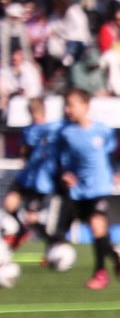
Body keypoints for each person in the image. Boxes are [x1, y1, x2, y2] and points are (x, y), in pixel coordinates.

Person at [55, 88, 120, 290]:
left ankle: (100, 273)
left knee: (97, 226)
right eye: (66, 105)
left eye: (72, 105)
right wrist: (65, 173)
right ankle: (116, 257)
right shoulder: (66, 134)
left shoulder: (103, 130)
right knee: (99, 234)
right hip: (80, 189)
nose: (68, 109)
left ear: (86, 106)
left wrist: (115, 171)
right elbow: (61, 160)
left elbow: (111, 154)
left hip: (101, 185)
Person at [2, 97, 61, 256]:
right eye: (32, 113)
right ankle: (21, 230)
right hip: (26, 177)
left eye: (38, 112)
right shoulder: (28, 131)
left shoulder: (52, 131)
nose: (35, 116)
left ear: (44, 112)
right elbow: (25, 152)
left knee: (32, 217)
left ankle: (54, 242)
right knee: (9, 204)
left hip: (41, 182)